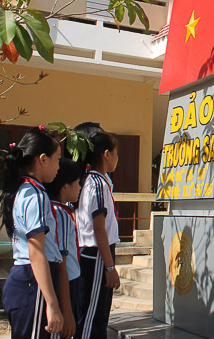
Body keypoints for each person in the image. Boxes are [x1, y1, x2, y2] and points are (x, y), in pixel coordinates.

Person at [0, 126, 65, 338]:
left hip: (29, 281)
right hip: (33, 283)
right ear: (42, 159)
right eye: (57, 159)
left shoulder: (25, 189)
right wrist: (52, 304)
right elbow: (36, 251)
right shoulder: (34, 194)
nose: (58, 166)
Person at [76, 132, 120, 339]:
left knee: (99, 314)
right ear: (106, 155)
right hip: (96, 256)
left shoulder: (97, 181)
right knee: (92, 319)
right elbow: (99, 227)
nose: (117, 158)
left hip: (97, 253)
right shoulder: (96, 184)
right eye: (116, 153)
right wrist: (109, 266)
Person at [45, 159, 82, 333]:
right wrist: (67, 312)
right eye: (77, 183)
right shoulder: (61, 215)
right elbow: (62, 264)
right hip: (66, 284)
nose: (80, 187)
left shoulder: (53, 209)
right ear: (65, 187)